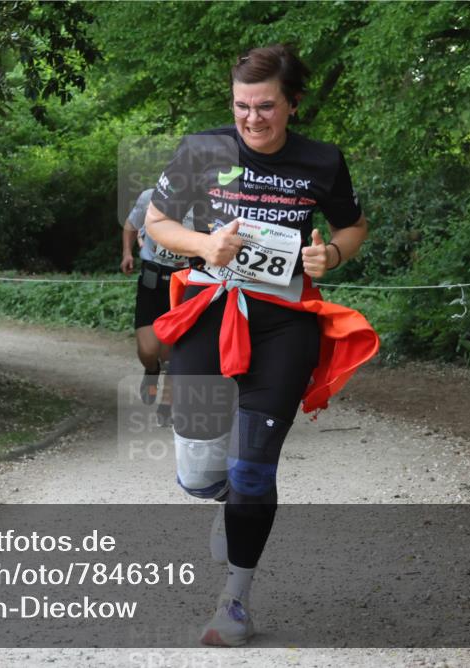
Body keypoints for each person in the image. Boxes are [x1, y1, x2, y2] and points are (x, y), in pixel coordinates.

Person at [145, 44, 379, 647]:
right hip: (207, 311)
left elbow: (352, 225)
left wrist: (333, 253)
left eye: (267, 107)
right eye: (243, 106)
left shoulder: (322, 161)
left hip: (282, 324)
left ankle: (236, 600)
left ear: (293, 104)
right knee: (199, 474)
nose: (253, 118)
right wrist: (202, 246)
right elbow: (156, 222)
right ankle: (225, 498)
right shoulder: (202, 150)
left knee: (253, 468)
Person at [120, 188, 193, 426]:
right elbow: (131, 225)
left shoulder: (205, 203)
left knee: (172, 353)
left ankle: (167, 406)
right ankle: (151, 372)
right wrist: (127, 253)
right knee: (149, 350)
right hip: (152, 280)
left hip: (184, 281)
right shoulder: (149, 197)